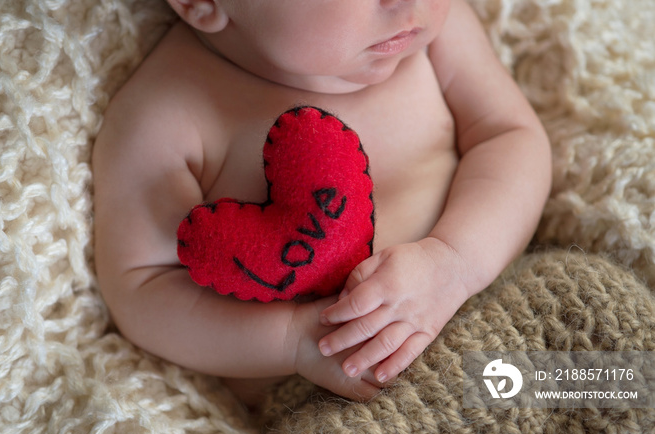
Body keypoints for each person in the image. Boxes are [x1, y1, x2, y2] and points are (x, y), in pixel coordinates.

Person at [92, 0, 552, 405]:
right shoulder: (166, 115)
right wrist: (295, 340)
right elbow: (141, 289)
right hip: (343, 391)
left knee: (612, 369)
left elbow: (510, 137)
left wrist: (455, 263)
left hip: (496, 297)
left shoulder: (430, 36)